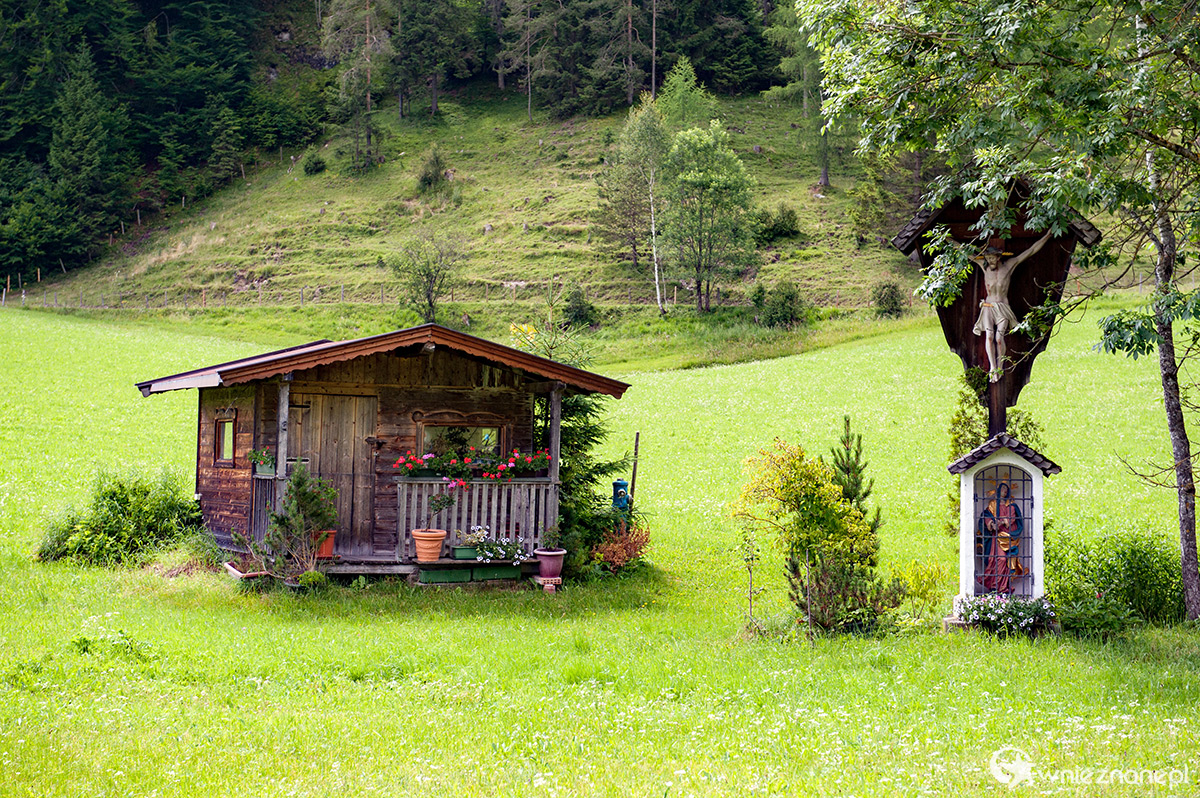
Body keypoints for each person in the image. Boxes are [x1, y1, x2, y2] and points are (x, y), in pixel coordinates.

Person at [973, 230, 1054, 382]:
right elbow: (965, 253)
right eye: (988, 258)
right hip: (988, 307)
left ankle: (1000, 365)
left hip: (1003, 307)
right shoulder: (983, 267)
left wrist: (1048, 235)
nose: (990, 260)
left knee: (998, 338)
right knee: (989, 336)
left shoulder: (1009, 265)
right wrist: (948, 240)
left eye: (992, 258)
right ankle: (992, 367)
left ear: (998, 257)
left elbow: (1031, 251)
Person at [979, 482, 1026, 594]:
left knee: (1007, 561)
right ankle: (995, 587)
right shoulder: (993, 504)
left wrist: (1004, 521)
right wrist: (991, 523)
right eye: (1002, 489)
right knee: (999, 559)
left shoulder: (1011, 504)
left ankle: (1003, 588)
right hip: (996, 537)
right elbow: (986, 515)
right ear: (998, 490)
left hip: (1008, 537)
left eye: (1006, 489)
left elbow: (1012, 518)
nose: (1004, 491)